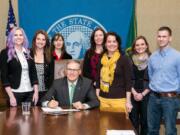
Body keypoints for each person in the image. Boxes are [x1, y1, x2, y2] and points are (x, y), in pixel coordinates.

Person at [148, 26, 180, 135]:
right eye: (159, 36)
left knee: (170, 131)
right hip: (153, 98)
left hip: (170, 100)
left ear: (170, 38)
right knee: (152, 130)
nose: (161, 39)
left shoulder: (177, 56)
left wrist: (174, 94)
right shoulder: (152, 56)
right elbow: (151, 75)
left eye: (164, 36)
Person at [0, 27, 39, 106]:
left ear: (23, 37)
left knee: (31, 118)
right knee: (15, 118)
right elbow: (4, 76)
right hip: (14, 93)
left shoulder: (29, 52)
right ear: (11, 37)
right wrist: (11, 96)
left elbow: (34, 73)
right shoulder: (5, 53)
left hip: (30, 93)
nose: (18, 37)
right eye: (15, 35)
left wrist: (36, 92)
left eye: (21, 35)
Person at [96, 32, 132, 113]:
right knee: (103, 125)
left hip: (119, 100)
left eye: (114, 41)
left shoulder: (124, 59)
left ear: (118, 43)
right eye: (109, 41)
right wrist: (97, 92)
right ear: (105, 44)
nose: (111, 44)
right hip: (103, 100)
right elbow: (98, 77)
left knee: (119, 126)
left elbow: (128, 82)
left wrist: (128, 101)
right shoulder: (101, 58)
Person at [129, 36, 151, 135]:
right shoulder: (129, 59)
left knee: (145, 121)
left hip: (147, 94)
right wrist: (134, 93)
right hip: (132, 93)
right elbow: (127, 78)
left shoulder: (152, 59)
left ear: (146, 46)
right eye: (137, 45)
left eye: (142, 44)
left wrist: (142, 94)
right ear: (134, 47)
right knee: (133, 121)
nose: (140, 47)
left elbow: (154, 79)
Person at [30, 30, 53, 106]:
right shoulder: (28, 54)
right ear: (34, 40)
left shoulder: (49, 56)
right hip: (30, 91)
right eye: (38, 39)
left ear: (46, 42)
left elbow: (51, 76)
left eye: (43, 39)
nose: (40, 41)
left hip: (45, 92)